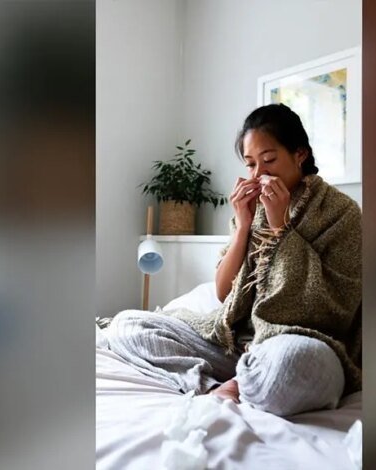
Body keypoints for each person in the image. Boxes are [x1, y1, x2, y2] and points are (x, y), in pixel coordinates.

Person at [105, 104, 362, 416]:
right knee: (126, 326)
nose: (258, 173)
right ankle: (213, 386)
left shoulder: (342, 213)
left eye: (269, 160)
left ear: (300, 154)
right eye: (250, 164)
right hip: (239, 343)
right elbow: (223, 292)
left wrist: (281, 228)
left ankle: (248, 379)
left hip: (303, 342)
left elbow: (335, 308)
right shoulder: (251, 212)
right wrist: (242, 227)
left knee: (292, 366)